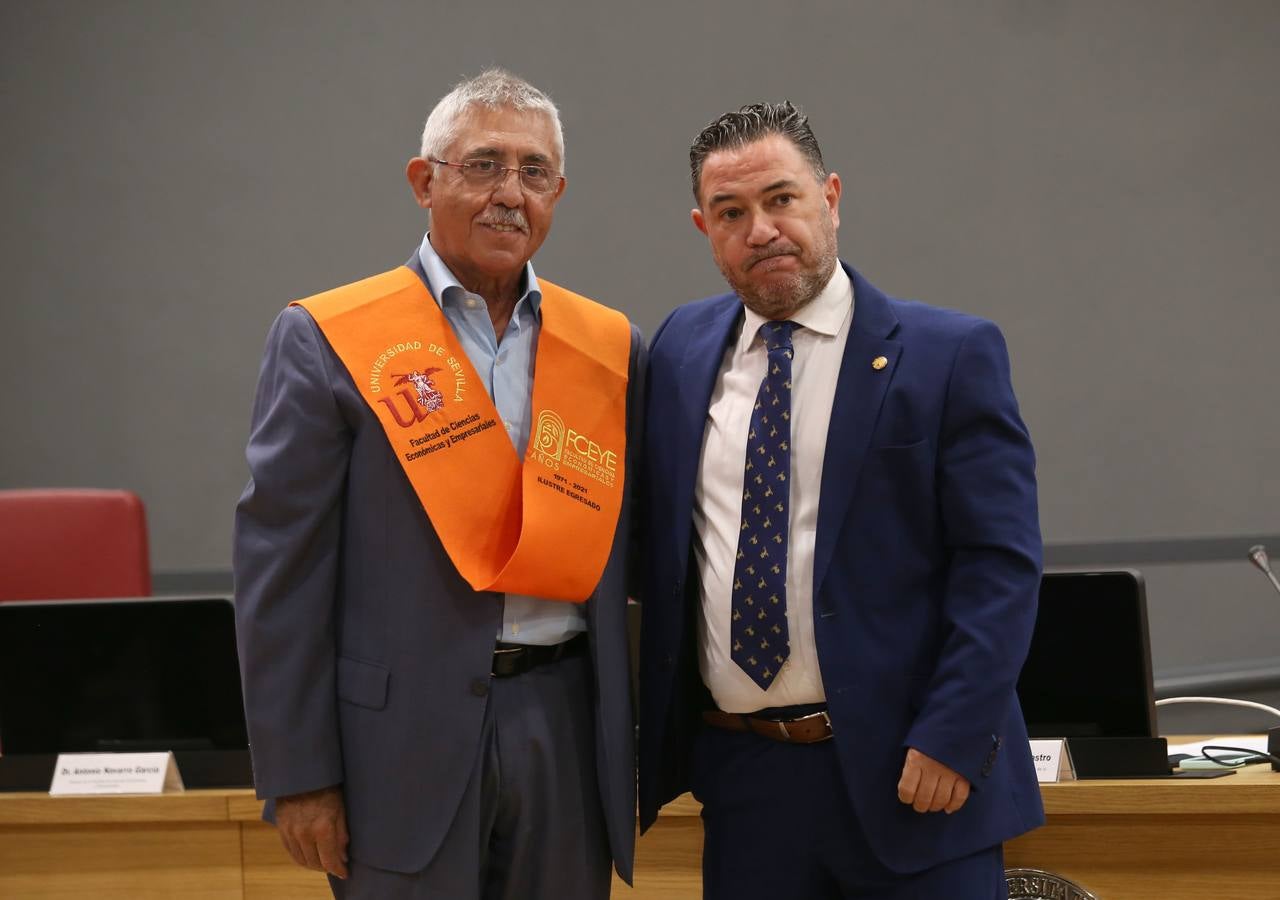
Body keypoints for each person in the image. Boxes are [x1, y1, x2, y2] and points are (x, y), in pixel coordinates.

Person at [234, 69, 641, 900]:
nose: (508, 195)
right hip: (396, 739)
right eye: (482, 165)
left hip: (561, 723)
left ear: (557, 192)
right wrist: (300, 774)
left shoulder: (609, 344)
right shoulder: (330, 338)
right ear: (425, 182)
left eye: (533, 173)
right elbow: (281, 573)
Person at [637, 101, 1044, 898]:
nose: (761, 230)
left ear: (829, 197)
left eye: (781, 199)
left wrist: (955, 734)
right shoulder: (680, 351)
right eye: (732, 212)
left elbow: (999, 566)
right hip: (747, 783)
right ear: (703, 228)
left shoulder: (947, 355)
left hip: (915, 776)